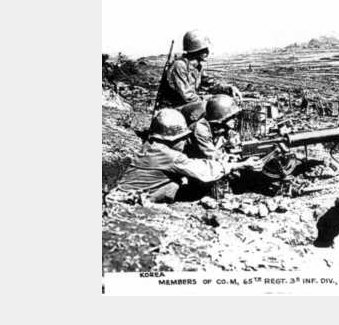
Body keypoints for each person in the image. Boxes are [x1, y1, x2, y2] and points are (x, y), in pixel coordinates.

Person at [106, 108, 261, 205]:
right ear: (172, 139)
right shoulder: (167, 155)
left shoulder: (151, 146)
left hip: (120, 196)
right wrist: (241, 165)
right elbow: (206, 171)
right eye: (182, 138)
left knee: (177, 184)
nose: (185, 141)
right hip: (126, 202)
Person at [156, 30, 243, 110]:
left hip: (186, 106)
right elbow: (187, 96)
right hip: (172, 110)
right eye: (204, 49)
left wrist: (229, 89)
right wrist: (208, 100)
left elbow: (210, 84)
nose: (207, 52)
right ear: (196, 50)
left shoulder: (198, 67)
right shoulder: (179, 66)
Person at [181, 94, 242, 160]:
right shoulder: (200, 130)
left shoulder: (220, 126)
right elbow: (212, 155)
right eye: (231, 117)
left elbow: (230, 137)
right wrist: (229, 158)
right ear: (220, 119)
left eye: (234, 116)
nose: (235, 120)